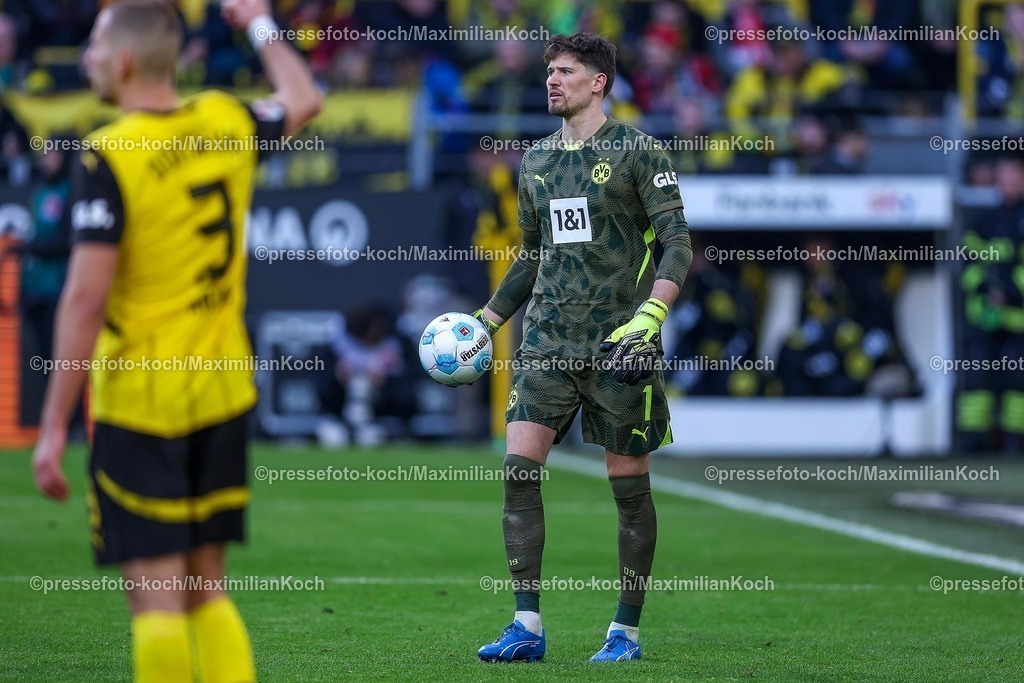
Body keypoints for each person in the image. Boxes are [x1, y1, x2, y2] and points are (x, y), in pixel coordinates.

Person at [30, 1, 321, 682]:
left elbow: (85, 298)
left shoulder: (110, 153)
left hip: (143, 403)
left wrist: (51, 427)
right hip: (223, 391)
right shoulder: (225, 118)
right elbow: (304, 98)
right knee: (207, 588)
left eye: (97, 46)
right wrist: (256, 21)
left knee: (155, 600)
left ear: (124, 61)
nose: (88, 57)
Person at [472, 33, 692, 663]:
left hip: (620, 345)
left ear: (599, 82)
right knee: (518, 474)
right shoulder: (536, 162)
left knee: (629, 489)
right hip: (545, 342)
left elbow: (677, 240)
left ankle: (625, 629)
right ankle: (526, 626)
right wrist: (484, 323)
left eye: (565, 71)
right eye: (549, 71)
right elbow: (532, 257)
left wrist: (653, 314)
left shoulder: (637, 151)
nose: (552, 81)